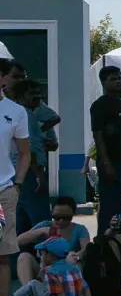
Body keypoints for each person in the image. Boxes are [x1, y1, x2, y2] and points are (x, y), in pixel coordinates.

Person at [7, 196, 92, 296]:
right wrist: (41, 231)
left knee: (77, 263)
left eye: (66, 218)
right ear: (52, 214)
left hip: (66, 273)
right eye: (57, 218)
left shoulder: (79, 229)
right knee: (24, 257)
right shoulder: (45, 225)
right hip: (45, 270)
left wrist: (75, 256)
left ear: (73, 215)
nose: (61, 221)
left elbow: (86, 248)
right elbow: (18, 241)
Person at [90, 66, 121, 235]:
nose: (118, 81)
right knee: (108, 204)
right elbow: (98, 135)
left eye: (119, 78)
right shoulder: (99, 106)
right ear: (103, 82)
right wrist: (105, 162)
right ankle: (104, 241)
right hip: (110, 162)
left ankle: (119, 240)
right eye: (112, 79)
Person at [0, 64, 28, 296]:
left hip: (4, 191)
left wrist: (17, 184)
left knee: (2, 259)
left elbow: (24, 152)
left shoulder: (16, 111)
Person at [13, 81, 59, 233]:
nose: (37, 97)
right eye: (32, 93)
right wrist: (39, 175)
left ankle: (21, 254)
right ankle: (42, 253)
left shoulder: (30, 116)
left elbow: (51, 144)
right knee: (41, 222)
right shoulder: (25, 115)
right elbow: (28, 150)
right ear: (20, 97)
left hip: (21, 173)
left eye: (38, 93)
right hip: (30, 172)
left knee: (22, 219)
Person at [11, 236, 91, 296]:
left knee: (33, 284)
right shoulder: (75, 269)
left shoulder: (51, 272)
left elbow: (59, 293)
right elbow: (85, 287)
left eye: (42, 253)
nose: (40, 256)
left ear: (50, 255)